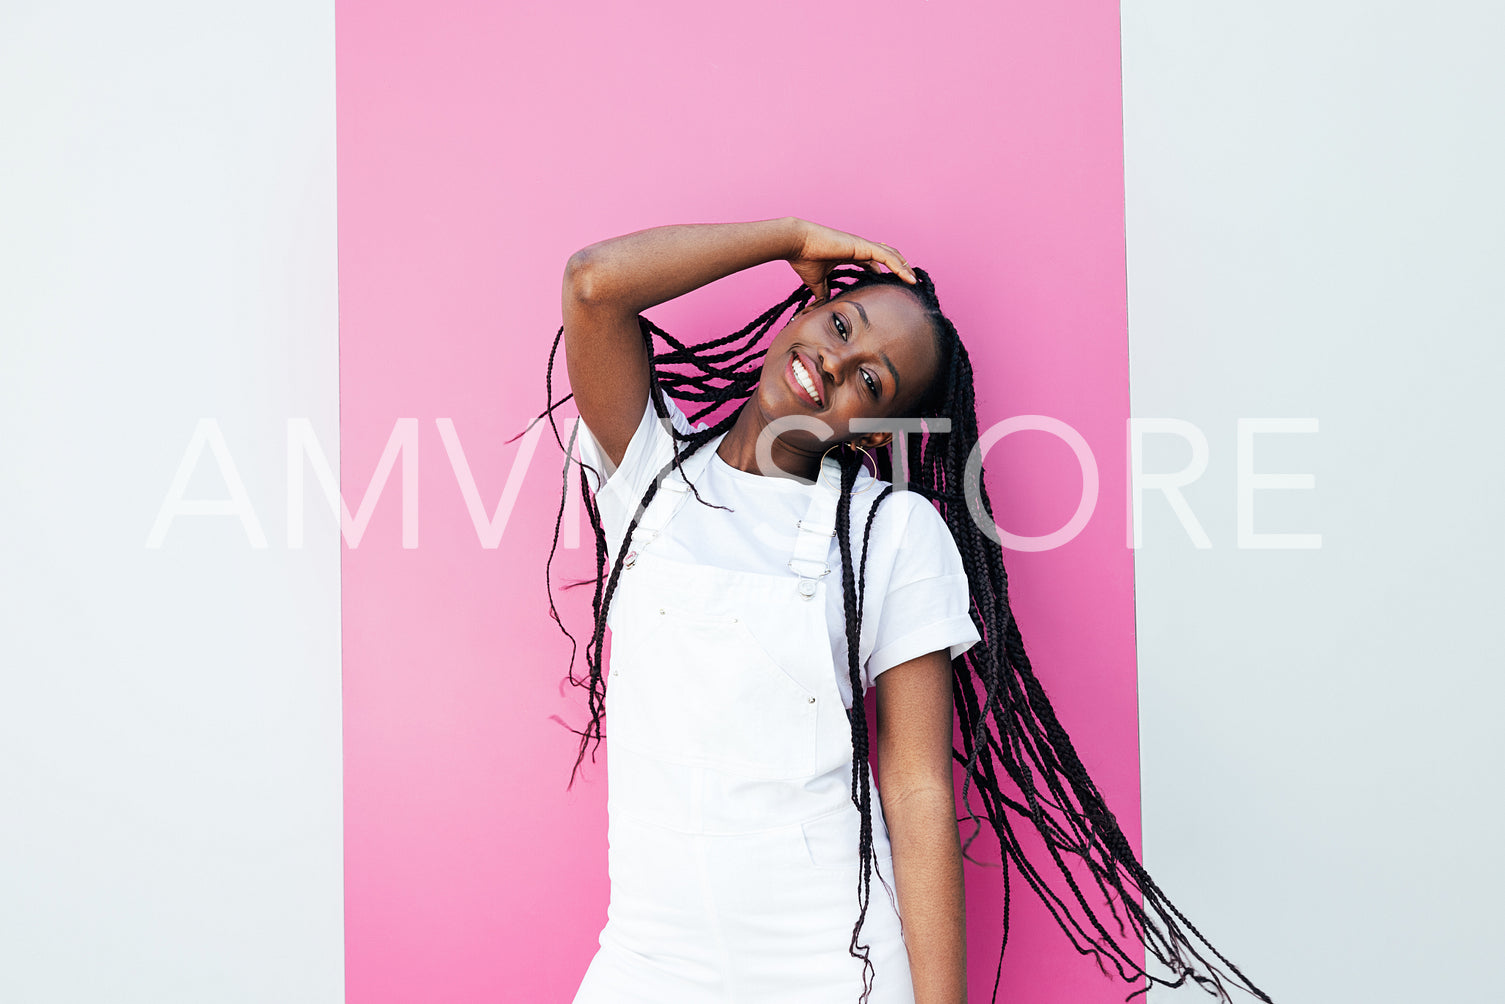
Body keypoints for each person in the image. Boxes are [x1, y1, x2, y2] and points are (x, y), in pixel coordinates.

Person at [527, 218, 1272, 1004]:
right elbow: (592, 282)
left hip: (833, 967)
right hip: (651, 964)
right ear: (802, 310)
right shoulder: (648, 472)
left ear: (875, 429)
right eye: (840, 325)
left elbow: (916, 786)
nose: (834, 361)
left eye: (871, 382)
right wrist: (784, 237)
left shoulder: (891, 535)